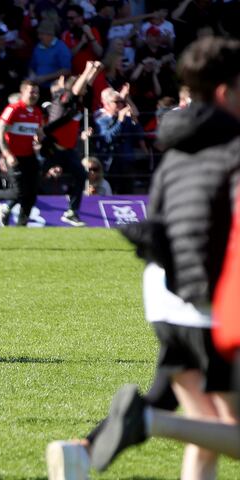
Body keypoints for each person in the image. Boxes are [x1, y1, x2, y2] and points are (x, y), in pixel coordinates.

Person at [66, 36, 240, 477]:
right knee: (228, 429)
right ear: (225, 91)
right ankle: (146, 421)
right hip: (210, 300)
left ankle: (99, 440)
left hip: (165, 297)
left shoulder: (177, 149)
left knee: (204, 433)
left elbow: (157, 220)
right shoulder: (234, 146)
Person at [42, 61, 103, 227]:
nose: (85, 89)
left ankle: (71, 212)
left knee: (81, 176)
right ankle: (9, 202)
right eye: (81, 86)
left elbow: (86, 85)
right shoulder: (64, 98)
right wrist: (87, 69)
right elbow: (76, 88)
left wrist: (95, 70)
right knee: (33, 177)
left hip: (67, 151)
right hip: (50, 148)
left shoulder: (78, 103)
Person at [0, 80, 44, 227]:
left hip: (30, 156)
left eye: (36, 92)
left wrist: (39, 140)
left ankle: (21, 224)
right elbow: (0, 133)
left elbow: (38, 133)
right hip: (14, 156)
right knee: (19, 192)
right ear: (23, 93)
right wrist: (7, 154)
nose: (34, 95)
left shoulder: (37, 112)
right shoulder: (13, 109)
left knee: (31, 193)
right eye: (31, 92)